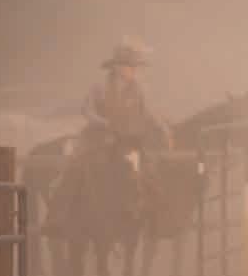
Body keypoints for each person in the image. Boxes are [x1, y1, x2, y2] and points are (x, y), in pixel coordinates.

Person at [45, 38, 169, 232]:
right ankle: (57, 217)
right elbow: (86, 110)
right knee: (75, 167)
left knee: (147, 170)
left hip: (127, 137)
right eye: (130, 66)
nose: (133, 70)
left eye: (134, 66)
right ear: (118, 67)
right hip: (98, 136)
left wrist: (162, 127)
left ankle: (154, 216)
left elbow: (146, 113)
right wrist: (105, 123)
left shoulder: (138, 89)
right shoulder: (99, 87)